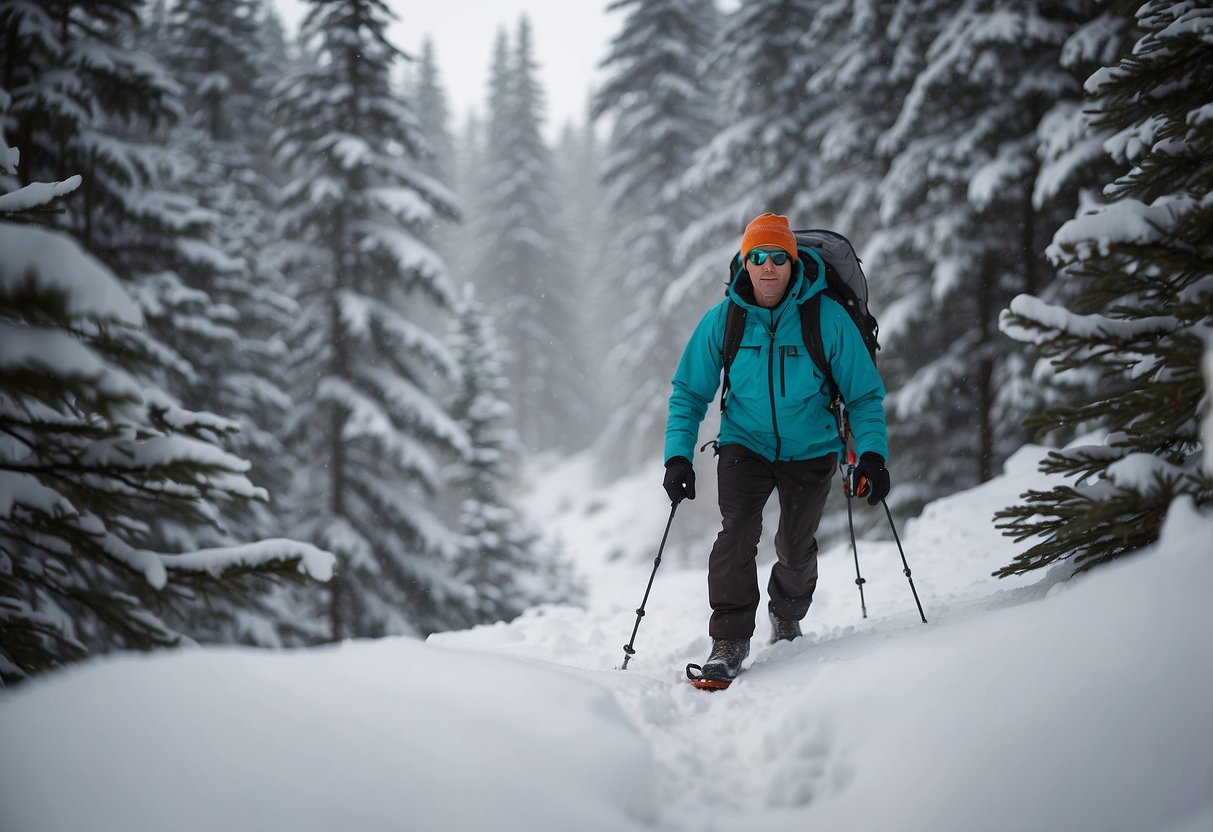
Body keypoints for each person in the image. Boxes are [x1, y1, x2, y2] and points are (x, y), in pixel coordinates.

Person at [663, 211, 890, 687]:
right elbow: (688, 392)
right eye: (758, 257)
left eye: (778, 258)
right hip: (744, 443)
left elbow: (864, 394)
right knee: (738, 531)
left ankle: (786, 612)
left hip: (811, 448)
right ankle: (728, 639)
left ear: (793, 262)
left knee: (794, 545)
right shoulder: (725, 320)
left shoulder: (824, 318)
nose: (768, 267)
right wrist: (677, 457)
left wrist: (871, 454)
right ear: (745, 262)